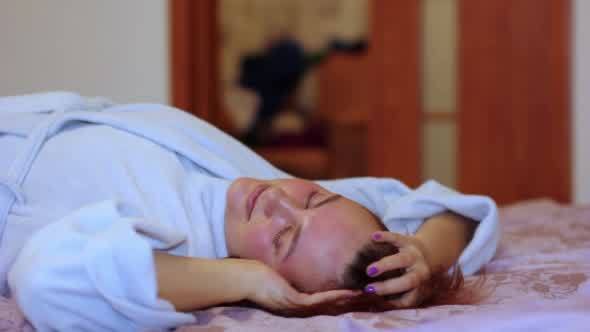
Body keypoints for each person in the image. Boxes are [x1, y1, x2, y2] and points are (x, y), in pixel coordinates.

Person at [0, 92, 499, 331]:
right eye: (314, 197)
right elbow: (453, 209)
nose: (278, 202)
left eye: (282, 240)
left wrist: (244, 281)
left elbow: (47, 279)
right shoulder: (259, 181)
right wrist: (422, 253)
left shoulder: (176, 246)